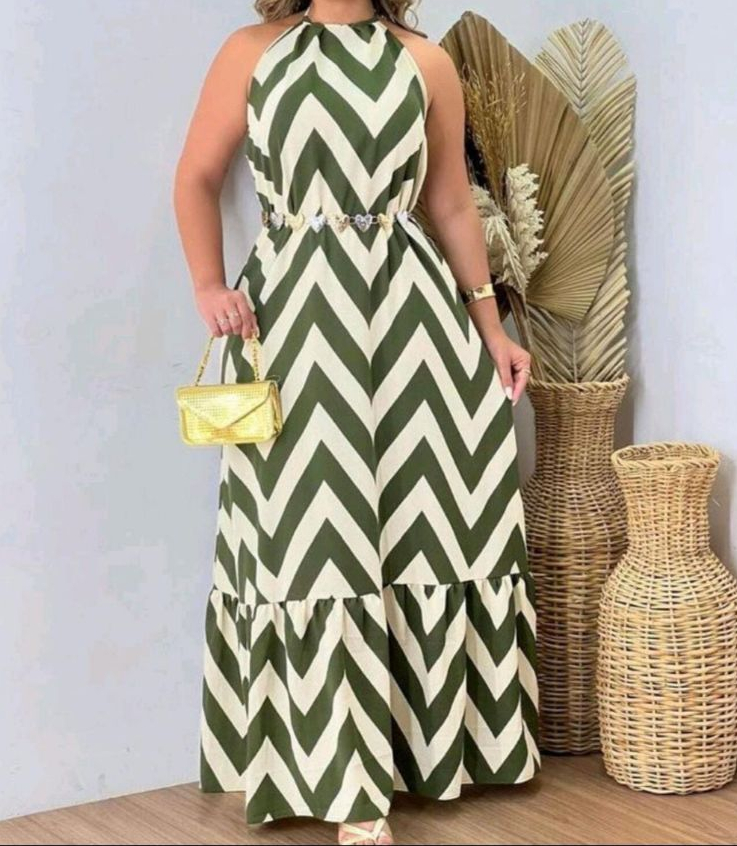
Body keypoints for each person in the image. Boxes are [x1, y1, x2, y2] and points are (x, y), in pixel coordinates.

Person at [173, 2, 540, 843]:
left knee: (429, 524)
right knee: (313, 534)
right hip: (293, 321)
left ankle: (430, 752)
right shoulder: (251, 51)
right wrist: (207, 285)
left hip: (415, 320)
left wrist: (492, 330)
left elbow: (451, 203)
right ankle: (344, 780)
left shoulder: (424, 61)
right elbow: (195, 175)